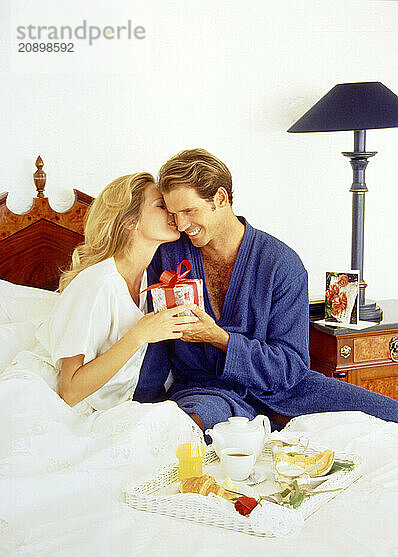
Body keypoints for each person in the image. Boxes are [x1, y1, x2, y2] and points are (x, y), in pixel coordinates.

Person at [133, 148, 398, 432]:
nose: (182, 225)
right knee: (188, 428)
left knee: (388, 414)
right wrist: (142, 406)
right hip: (207, 390)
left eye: (189, 211)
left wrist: (219, 338)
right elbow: (154, 343)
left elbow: (291, 367)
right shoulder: (167, 255)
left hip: (286, 391)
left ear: (220, 199)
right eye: (174, 214)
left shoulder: (281, 264)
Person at [0, 172, 202, 483]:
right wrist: (139, 334)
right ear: (129, 221)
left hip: (101, 406)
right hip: (49, 399)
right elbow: (69, 391)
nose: (173, 214)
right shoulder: (97, 282)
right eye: (161, 206)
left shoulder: (152, 279)